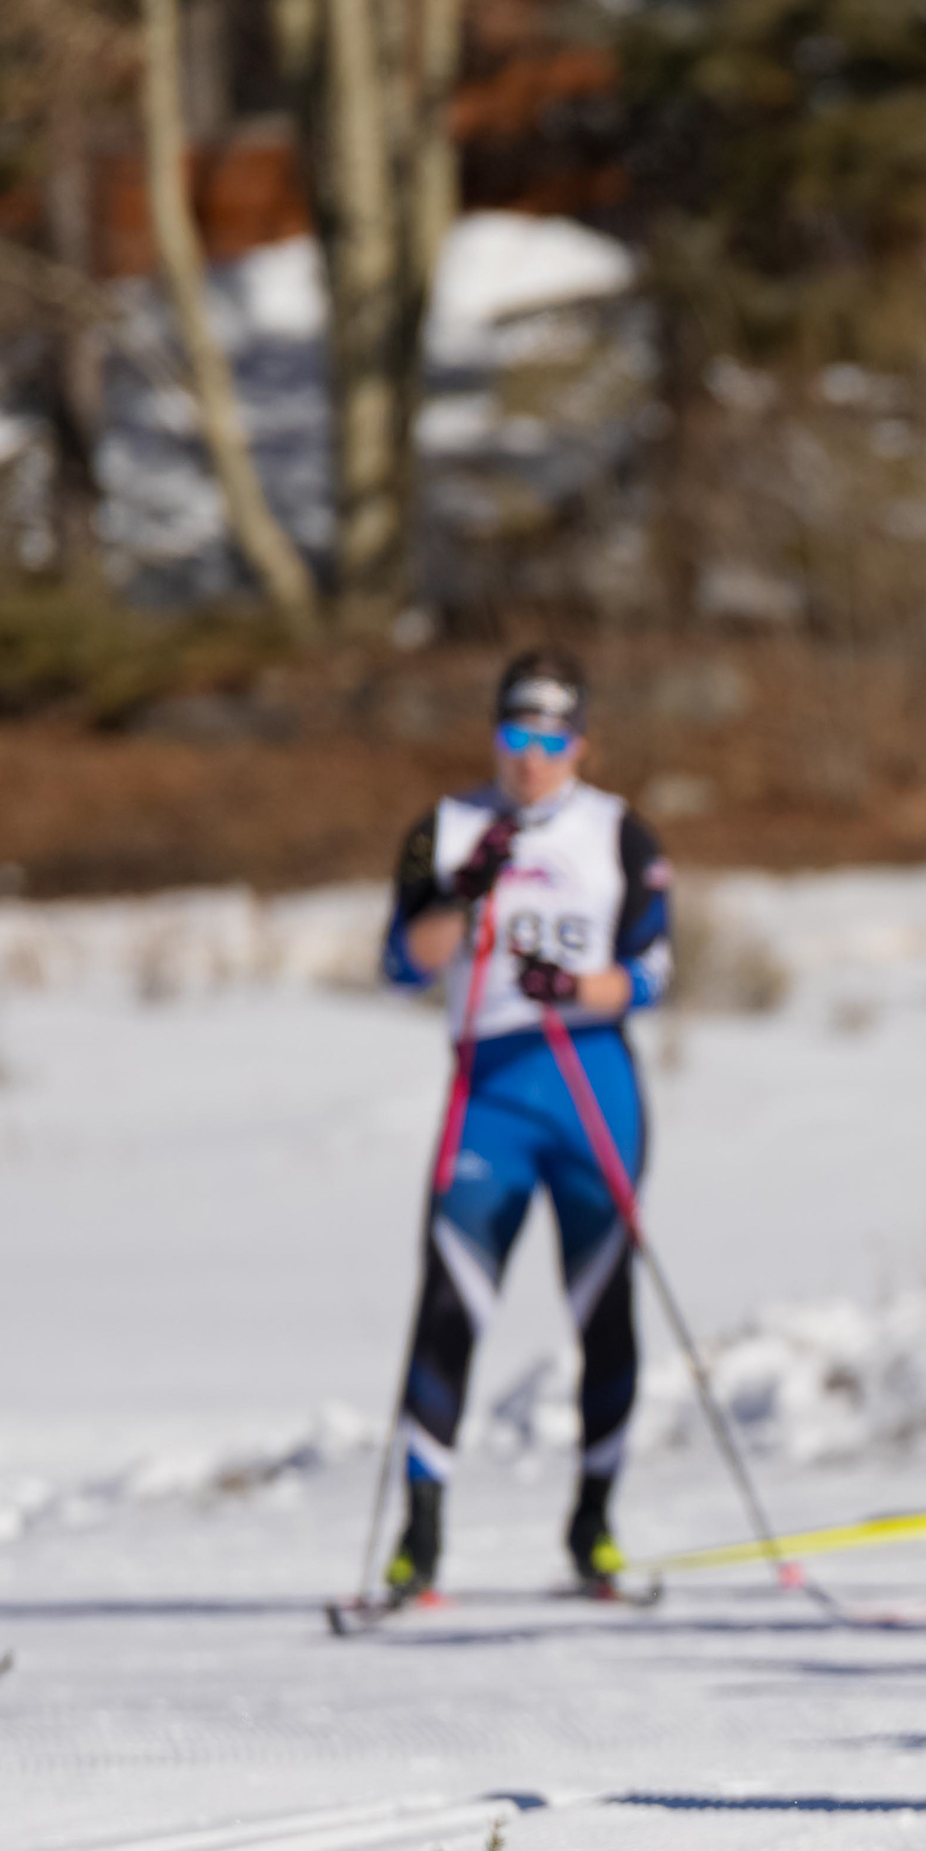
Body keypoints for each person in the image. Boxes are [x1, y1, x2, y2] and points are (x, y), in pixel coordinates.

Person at [376, 650, 675, 1602]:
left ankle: (594, 1525)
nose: (531, 758)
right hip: (490, 1095)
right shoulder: (447, 828)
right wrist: (461, 895)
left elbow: (655, 972)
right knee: (451, 1303)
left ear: (581, 744)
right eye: (516, 735)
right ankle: (420, 1538)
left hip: (592, 1085)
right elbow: (402, 964)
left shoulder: (618, 830)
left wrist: (579, 986)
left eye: (551, 739)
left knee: (603, 1306)